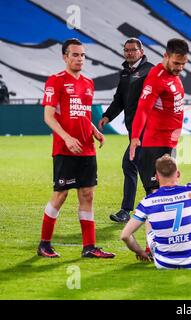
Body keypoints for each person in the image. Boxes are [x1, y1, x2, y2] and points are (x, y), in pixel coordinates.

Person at [37, 38, 115, 258]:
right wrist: (66, 137)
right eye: (75, 55)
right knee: (60, 195)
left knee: (87, 194)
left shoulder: (88, 83)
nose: (80, 59)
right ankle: (44, 244)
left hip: (87, 149)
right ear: (65, 56)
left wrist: (94, 130)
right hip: (65, 149)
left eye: (82, 55)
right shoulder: (56, 81)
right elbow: (48, 116)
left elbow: (82, 113)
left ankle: (89, 247)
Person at [120, 143, 191, 269]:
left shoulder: (148, 202)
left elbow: (125, 235)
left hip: (164, 263)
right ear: (178, 174)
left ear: (156, 177)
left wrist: (139, 252)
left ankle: (153, 250)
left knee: (148, 220)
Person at [98, 38, 154, 223]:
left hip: (148, 130)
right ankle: (153, 207)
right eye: (126, 50)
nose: (129, 53)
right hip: (134, 130)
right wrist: (107, 116)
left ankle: (127, 210)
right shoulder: (125, 74)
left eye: (133, 50)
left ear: (141, 51)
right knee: (142, 167)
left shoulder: (150, 71)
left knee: (131, 165)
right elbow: (119, 100)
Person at [129, 38, 189, 196]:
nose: (180, 68)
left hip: (169, 143)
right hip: (155, 143)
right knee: (156, 193)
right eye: (176, 63)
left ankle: (164, 220)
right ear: (166, 56)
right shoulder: (156, 78)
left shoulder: (174, 76)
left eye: (183, 63)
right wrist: (135, 138)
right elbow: (142, 109)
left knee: (170, 189)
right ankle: (151, 220)